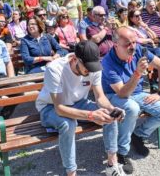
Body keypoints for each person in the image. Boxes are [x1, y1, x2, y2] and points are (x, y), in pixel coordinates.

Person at [35, 41, 126, 176]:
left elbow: (100, 97)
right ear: (74, 59)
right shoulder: (55, 69)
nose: (89, 71)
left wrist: (112, 109)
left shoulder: (93, 68)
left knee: (108, 115)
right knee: (68, 124)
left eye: (92, 67)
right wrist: (91, 115)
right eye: (87, 67)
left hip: (78, 102)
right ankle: (71, 172)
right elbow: (59, 108)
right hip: (49, 107)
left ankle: (112, 164)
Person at [101, 26, 160, 174]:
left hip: (137, 93)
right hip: (113, 96)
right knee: (132, 108)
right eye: (127, 43)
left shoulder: (139, 49)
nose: (132, 46)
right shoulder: (108, 62)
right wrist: (138, 73)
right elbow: (122, 93)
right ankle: (121, 152)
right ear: (116, 45)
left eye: (134, 42)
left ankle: (138, 135)